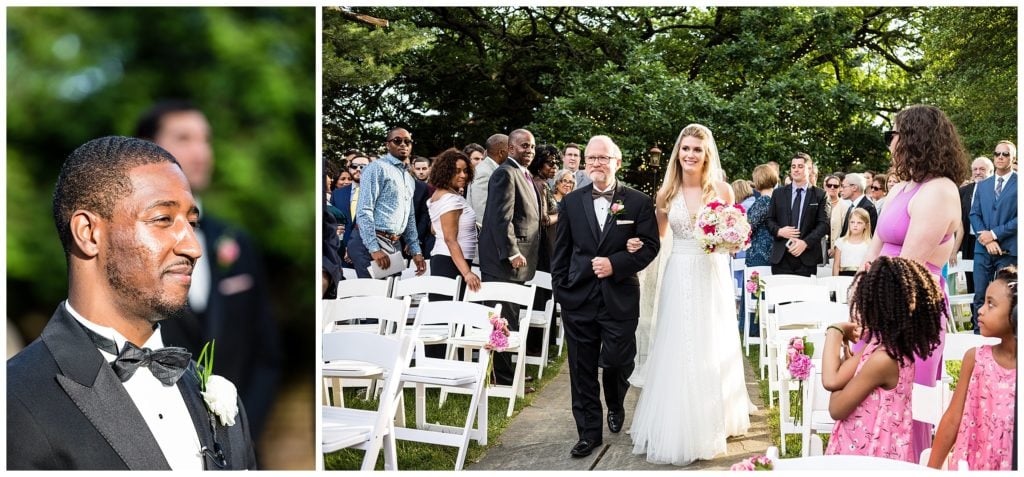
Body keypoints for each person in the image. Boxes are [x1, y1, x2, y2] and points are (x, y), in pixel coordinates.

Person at [7, 136, 257, 470]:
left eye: (192, 223)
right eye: (162, 220)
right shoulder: (14, 400)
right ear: (88, 233)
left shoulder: (213, 392)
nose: (193, 248)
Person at [135, 100, 279, 444]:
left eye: (205, 139)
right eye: (184, 138)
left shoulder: (235, 241)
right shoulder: (128, 247)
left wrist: (241, 432)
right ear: (144, 152)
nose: (201, 152)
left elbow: (266, 352)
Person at [630, 124, 751, 466]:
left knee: (709, 342)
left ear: (706, 154)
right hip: (678, 271)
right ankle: (677, 422)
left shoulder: (722, 190)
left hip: (711, 273)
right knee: (678, 344)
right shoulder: (667, 191)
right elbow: (656, 239)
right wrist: (636, 244)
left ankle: (715, 417)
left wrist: (732, 239)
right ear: (677, 153)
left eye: (697, 149)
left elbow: (735, 236)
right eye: (685, 149)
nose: (690, 155)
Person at [864, 104, 969, 458]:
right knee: (869, 399)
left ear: (914, 139)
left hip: (912, 309)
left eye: (893, 135)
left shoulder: (939, 191)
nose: (889, 143)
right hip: (878, 301)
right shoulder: (900, 189)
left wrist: (876, 304)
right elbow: (873, 252)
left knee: (907, 402)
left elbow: (908, 266)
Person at [551, 134, 660, 459]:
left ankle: (615, 402)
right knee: (581, 369)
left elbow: (650, 246)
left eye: (603, 158)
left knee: (616, 362)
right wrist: (562, 293)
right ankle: (588, 433)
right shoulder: (571, 201)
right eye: (591, 158)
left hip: (620, 297)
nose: (597, 163)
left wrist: (616, 263)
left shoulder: (639, 202)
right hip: (578, 299)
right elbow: (562, 251)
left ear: (618, 162)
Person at [823, 256, 945, 462]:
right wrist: (837, 331)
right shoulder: (880, 346)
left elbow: (836, 408)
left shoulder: (885, 359)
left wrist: (835, 333)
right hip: (864, 452)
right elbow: (832, 380)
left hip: (871, 459)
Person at [928, 266, 1016, 470]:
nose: (981, 310)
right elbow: (952, 419)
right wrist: (930, 471)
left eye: (991, 304)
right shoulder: (975, 359)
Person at [478, 129, 541, 388]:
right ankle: (501, 377)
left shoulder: (523, 174)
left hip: (517, 263)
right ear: (510, 149)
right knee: (501, 320)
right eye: (524, 146)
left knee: (511, 319)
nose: (530, 150)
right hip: (504, 262)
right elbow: (500, 218)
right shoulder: (504, 173)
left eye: (533, 146)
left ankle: (506, 372)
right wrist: (513, 251)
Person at [351, 127, 426, 278]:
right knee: (372, 298)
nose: (403, 144)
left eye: (407, 141)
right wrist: (374, 248)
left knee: (391, 295)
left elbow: (409, 217)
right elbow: (364, 210)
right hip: (370, 242)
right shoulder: (377, 168)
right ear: (387, 144)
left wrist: (415, 250)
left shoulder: (409, 177)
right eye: (397, 141)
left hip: (394, 244)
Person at [969, 141, 1016, 333]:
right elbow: (974, 214)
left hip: (1010, 249)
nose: (1000, 157)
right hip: (983, 249)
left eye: (1005, 154)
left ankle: (1006, 335)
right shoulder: (983, 185)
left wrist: (995, 235)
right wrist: (987, 239)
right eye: (997, 153)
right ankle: (977, 335)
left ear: (1013, 158)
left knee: (1006, 296)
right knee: (979, 294)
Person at [766, 152, 829, 276]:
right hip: (781, 256)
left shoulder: (820, 195)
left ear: (809, 169)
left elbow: (824, 224)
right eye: (793, 166)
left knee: (804, 295)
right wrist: (779, 231)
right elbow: (769, 220)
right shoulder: (778, 193)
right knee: (780, 295)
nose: (796, 170)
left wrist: (805, 243)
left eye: (800, 166)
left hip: (806, 257)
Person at [426, 149, 481, 292]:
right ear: (445, 172)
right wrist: (467, 273)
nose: (463, 175)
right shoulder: (451, 199)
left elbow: (434, 228)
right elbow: (450, 239)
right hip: (451, 261)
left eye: (465, 171)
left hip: (447, 259)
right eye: (457, 171)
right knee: (449, 311)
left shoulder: (441, 194)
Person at [951, 156, 994, 294]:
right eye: (974, 169)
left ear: (991, 171)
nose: (977, 172)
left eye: (982, 169)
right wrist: (954, 250)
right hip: (970, 242)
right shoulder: (964, 191)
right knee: (971, 280)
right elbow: (958, 224)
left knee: (991, 281)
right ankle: (974, 314)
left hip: (992, 241)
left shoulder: (997, 190)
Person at [330, 153, 370, 270]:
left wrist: (354, 247)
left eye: (363, 166)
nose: (358, 169)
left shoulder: (380, 193)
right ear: (349, 168)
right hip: (341, 253)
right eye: (354, 166)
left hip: (368, 254)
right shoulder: (337, 194)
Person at [467, 133, 509, 229]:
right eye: (510, 149)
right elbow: (481, 210)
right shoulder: (484, 172)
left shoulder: (494, 169)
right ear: (501, 153)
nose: (512, 153)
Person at [745, 164, 779, 268]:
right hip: (775, 252)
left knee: (759, 284)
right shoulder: (778, 199)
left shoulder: (763, 201)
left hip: (760, 253)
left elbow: (748, 226)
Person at [832, 208, 871, 276]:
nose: (855, 225)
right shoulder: (840, 242)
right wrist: (835, 281)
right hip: (843, 278)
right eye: (852, 222)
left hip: (862, 278)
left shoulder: (869, 244)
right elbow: (836, 265)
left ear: (866, 225)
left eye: (859, 223)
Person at [839, 172, 877, 238]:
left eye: (843, 186)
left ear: (854, 188)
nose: (840, 190)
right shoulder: (852, 206)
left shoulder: (868, 208)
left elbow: (869, 235)